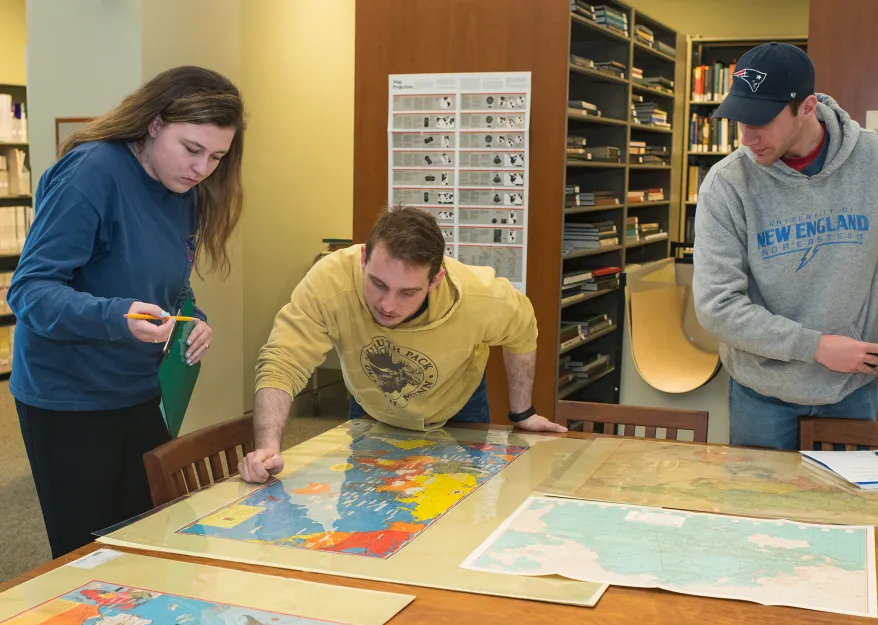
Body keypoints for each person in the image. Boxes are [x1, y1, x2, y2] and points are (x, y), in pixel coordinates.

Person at [7, 66, 246, 557]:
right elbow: (30, 291)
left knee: (150, 538)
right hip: (68, 396)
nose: (202, 169)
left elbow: (168, 284)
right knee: (90, 556)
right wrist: (117, 318)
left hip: (136, 389)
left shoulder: (186, 191)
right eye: (192, 149)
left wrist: (192, 318)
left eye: (217, 157)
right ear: (154, 123)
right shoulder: (93, 172)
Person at [691, 42, 878, 451]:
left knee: (847, 512)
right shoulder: (726, 184)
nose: (748, 137)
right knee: (760, 513)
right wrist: (815, 347)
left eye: (761, 120)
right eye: (739, 120)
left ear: (807, 107)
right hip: (762, 392)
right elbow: (717, 305)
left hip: (851, 390)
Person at [239, 205, 565, 484]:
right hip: (372, 404)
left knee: (457, 510)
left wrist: (523, 412)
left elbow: (522, 331)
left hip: (457, 405)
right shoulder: (329, 281)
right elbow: (283, 359)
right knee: (364, 512)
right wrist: (269, 446)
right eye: (378, 284)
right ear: (364, 258)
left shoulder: (481, 296)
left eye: (408, 292)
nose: (388, 305)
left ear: (435, 280)